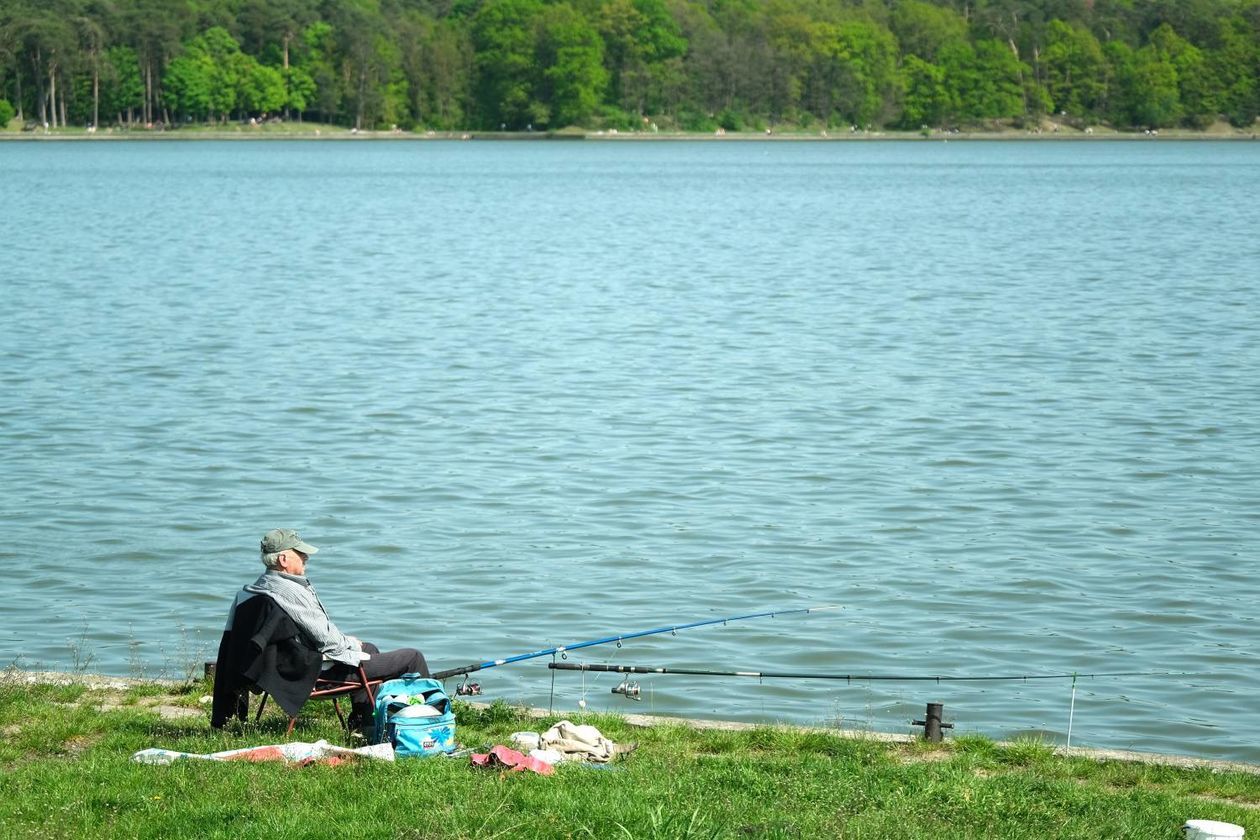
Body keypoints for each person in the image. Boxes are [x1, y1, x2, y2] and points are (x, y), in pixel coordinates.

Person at [224, 528, 429, 732]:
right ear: (283, 560)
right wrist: (351, 643)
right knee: (413, 658)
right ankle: (426, 726)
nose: (306, 557)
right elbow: (327, 640)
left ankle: (363, 725)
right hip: (314, 675)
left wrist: (352, 644)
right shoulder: (290, 592)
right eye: (300, 553)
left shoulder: (254, 590)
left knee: (370, 648)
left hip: (280, 672)